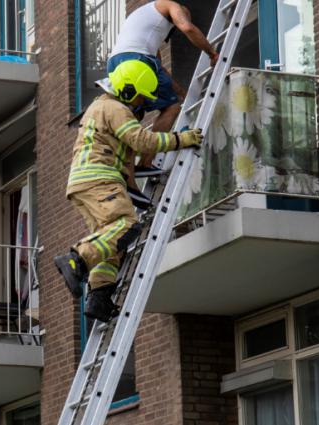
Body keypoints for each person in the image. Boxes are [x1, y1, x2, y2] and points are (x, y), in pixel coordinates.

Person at [54, 60, 203, 322]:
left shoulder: (101, 107)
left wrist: (135, 192)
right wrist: (182, 139)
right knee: (125, 225)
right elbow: (142, 140)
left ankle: (99, 297)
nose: (141, 104)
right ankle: (77, 259)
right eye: (139, 97)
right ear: (126, 89)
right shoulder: (114, 108)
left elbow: (125, 156)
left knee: (112, 243)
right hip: (100, 179)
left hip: (85, 182)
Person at [107, 0, 217, 175]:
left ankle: (125, 169)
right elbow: (187, 28)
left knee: (134, 113)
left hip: (115, 64)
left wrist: (181, 93)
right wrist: (212, 53)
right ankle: (145, 162)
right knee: (171, 107)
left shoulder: (144, 18)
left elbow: (159, 68)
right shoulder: (171, 6)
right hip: (138, 61)